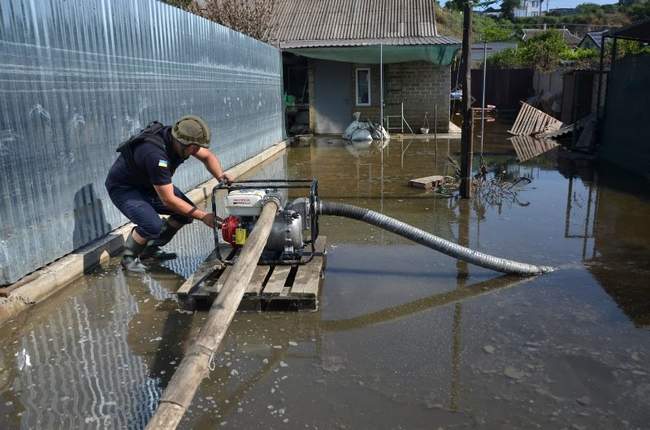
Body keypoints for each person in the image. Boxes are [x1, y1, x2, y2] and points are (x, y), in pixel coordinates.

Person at [105, 115, 234, 272]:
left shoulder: (179, 140)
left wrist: (220, 176)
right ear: (181, 143)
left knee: (185, 214)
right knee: (152, 225)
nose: (196, 151)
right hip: (125, 188)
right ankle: (129, 259)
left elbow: (207, 156)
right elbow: (169, 200)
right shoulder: (155, 155)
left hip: (149, 184)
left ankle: (150, 250)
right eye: (194, 147)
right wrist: (203, 216)